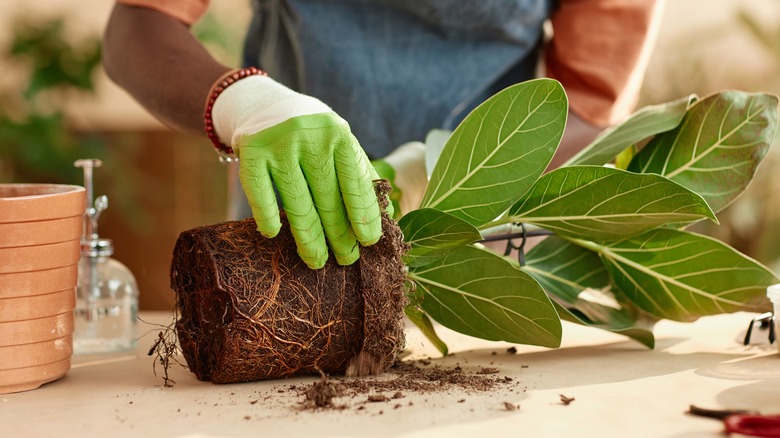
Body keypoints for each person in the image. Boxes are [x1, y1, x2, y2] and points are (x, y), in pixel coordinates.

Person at [103, 0, 664, 269]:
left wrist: (437, 168)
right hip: (294, 224)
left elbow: (590, 110)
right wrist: (243, 103)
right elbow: (139, 21)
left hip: (475, 244)